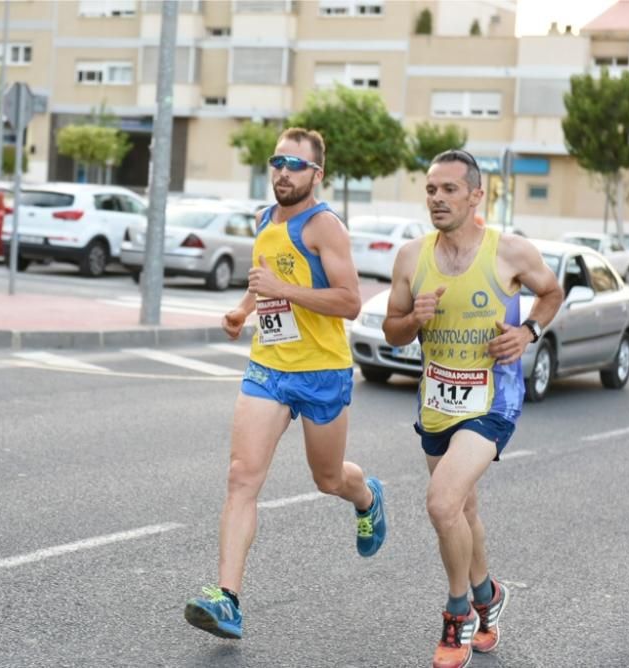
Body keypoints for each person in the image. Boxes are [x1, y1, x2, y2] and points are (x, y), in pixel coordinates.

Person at [182, 127, 388, 640]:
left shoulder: (325, 227)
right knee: (241, 477)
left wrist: (285, 291)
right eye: (277, 161)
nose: (283, 172)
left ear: (317, 174)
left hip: (321, 371)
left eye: (295, 165)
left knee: (328, 479)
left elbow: (350, 302)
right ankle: (226, 599)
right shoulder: (262, 219)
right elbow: (263, 278)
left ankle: (365, 497)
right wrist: (243, 308)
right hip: (268, 367)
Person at [384, 150, 563, 668]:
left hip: (493, 400)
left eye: (449, 190)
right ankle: (488, 594)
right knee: (463, 510)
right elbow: (392, 333)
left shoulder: (508, 251)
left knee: (441, 504)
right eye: (431, 190)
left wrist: (528, 332)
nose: (437, 199)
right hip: (437, 400)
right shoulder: (410, 257)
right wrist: (413, 319)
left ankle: (457, 613)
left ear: (476, 195)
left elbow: (551, 292)